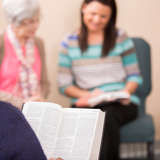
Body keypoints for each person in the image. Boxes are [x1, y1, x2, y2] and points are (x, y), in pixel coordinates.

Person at [58, 0, 142, 159]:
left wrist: (125, 92)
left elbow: (134, 76)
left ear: (111, 16)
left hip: (119, 102)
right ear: (83, 9)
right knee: (91, 117)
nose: (97, 20)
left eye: (103, 16)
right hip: (87, 100)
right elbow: (64, 86)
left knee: (106, 117)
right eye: (93, 14)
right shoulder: (68, 42)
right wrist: (86, 95)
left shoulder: (120, 37)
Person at [0, 0, 49, 110]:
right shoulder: (1, 42)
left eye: (37, 20)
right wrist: (22, 103)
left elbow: (45, 83)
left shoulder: (38, 43)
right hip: (5, 112)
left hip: (35, 111)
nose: (36, 26)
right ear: (14, 21)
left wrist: (39, 99)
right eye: (30, 22)